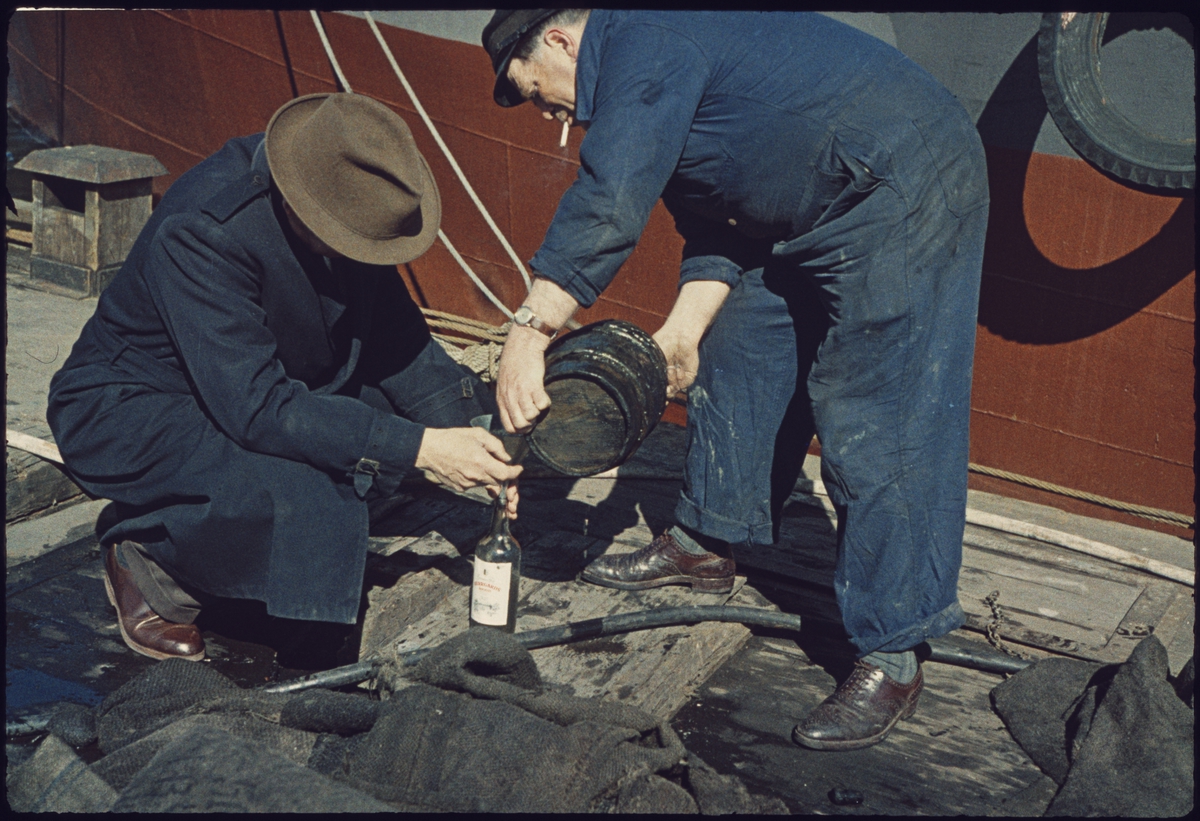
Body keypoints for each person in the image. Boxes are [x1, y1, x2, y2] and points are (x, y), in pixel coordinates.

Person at [482, 10, 989, 750]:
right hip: (810, 201)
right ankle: (707, 540)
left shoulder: (643, 41)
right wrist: (682, 334)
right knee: (743, 345)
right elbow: (715, 216)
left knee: (880, 416)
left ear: (560, 41)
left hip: (901, 183)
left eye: (535, 91)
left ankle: (893, 648)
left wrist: (529, 332)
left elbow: (611, 198)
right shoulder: (647, 65)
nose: (547, 114)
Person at [47, 93, 522, 663]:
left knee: (370, 447)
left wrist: (483, 437)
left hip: (253, 381)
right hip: (132, 407)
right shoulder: (206, 228)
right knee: (313, 492)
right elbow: (259, 410)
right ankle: (152, 561)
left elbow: (404, 347)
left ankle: (247, 548)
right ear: (301, 202)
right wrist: (423, 450)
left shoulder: (341, 190)